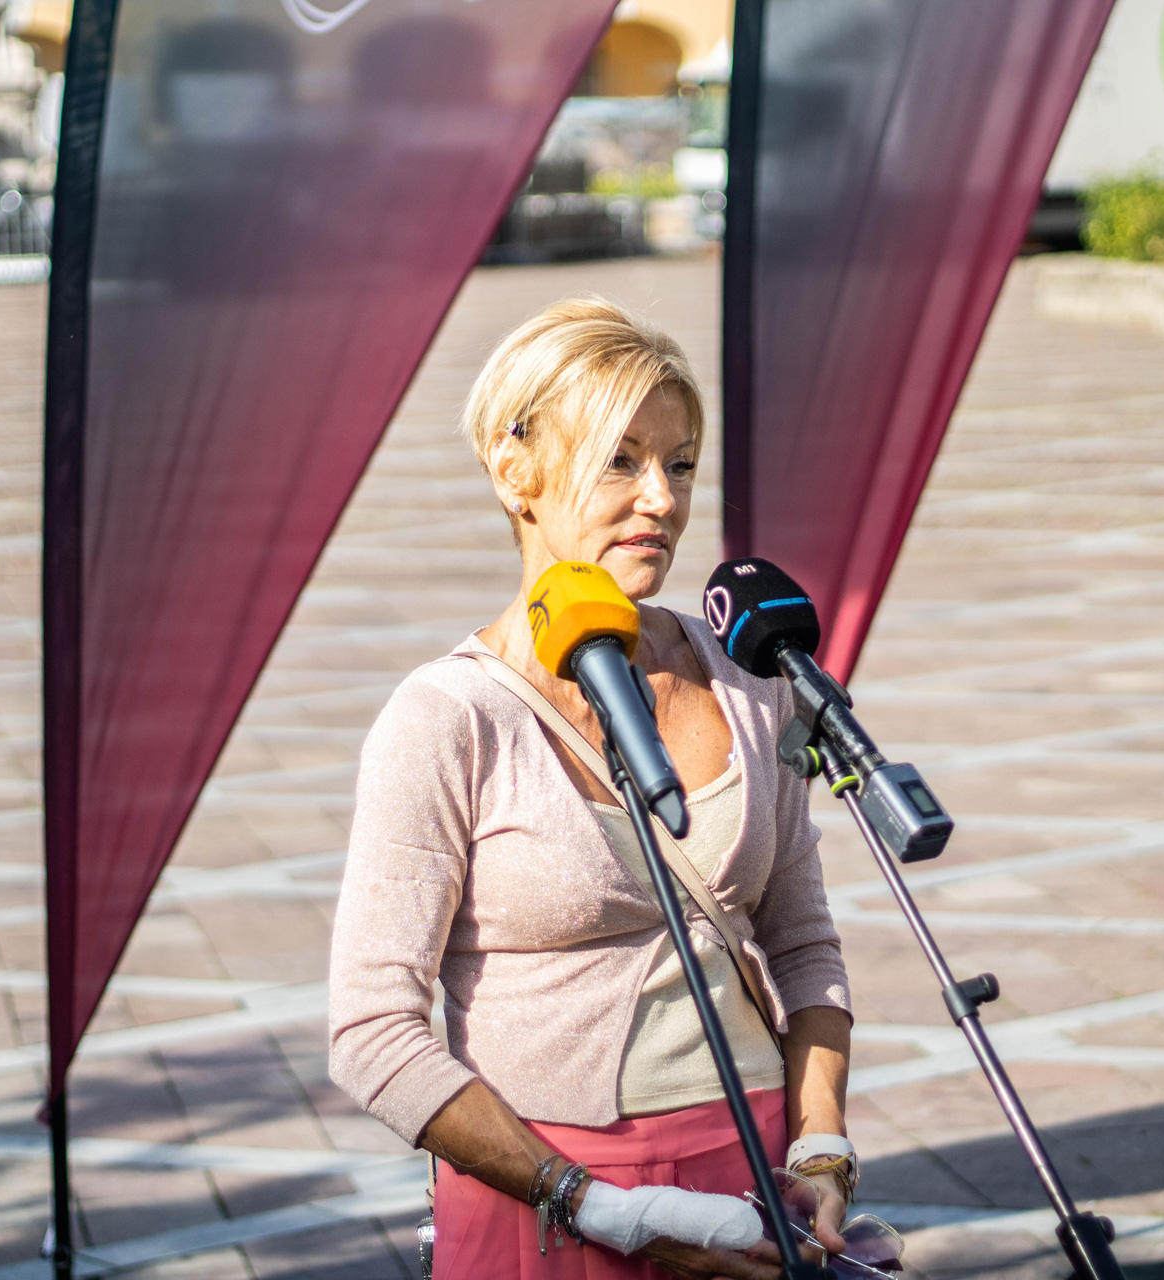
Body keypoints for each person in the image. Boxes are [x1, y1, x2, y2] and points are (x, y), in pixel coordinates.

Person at [329, 298, 857, 1279]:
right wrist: (603, 1206)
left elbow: (803, 945)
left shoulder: (746, 679)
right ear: (513, 468)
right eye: (621, 460)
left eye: (681, 464)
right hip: (545, 1197)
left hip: (750, 1173)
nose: (662, 497)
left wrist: (822, 1146)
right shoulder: (445, 717)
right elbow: (371, 1034)